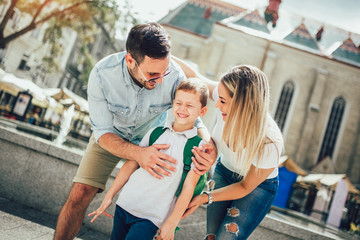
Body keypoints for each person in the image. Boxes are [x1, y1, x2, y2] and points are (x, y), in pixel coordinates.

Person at [53, 23, 217, 240]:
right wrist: (138, 154)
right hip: (110, 138)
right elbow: (102, 132)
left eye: (164, 72)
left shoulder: (173, 76)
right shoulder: (102, 75)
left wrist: (209, 148)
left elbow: (192, 115)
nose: (160, 81)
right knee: (79, 193)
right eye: (152, 75)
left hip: (152, 143)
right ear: (130, 60)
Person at [88, 79, 209, 240]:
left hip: (151, 217)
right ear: (173, 103)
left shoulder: (198, 148)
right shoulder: (155, 132)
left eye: (189, 105)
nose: (182, 109)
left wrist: (171, 224)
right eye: (179, 103)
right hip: (125, 204)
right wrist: (110, 195)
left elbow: (188, 188)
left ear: (202, 112)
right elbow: (131, 164)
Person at [176, 61, 284, 240]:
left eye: (223, 101)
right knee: (211, 237)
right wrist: (165, 54)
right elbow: (195, 77)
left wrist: (204, 198)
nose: (217, 105)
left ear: (243, 103)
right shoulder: (225, 96)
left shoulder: (269, 142)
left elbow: (245, 187)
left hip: (257, 188)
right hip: (224, 171)